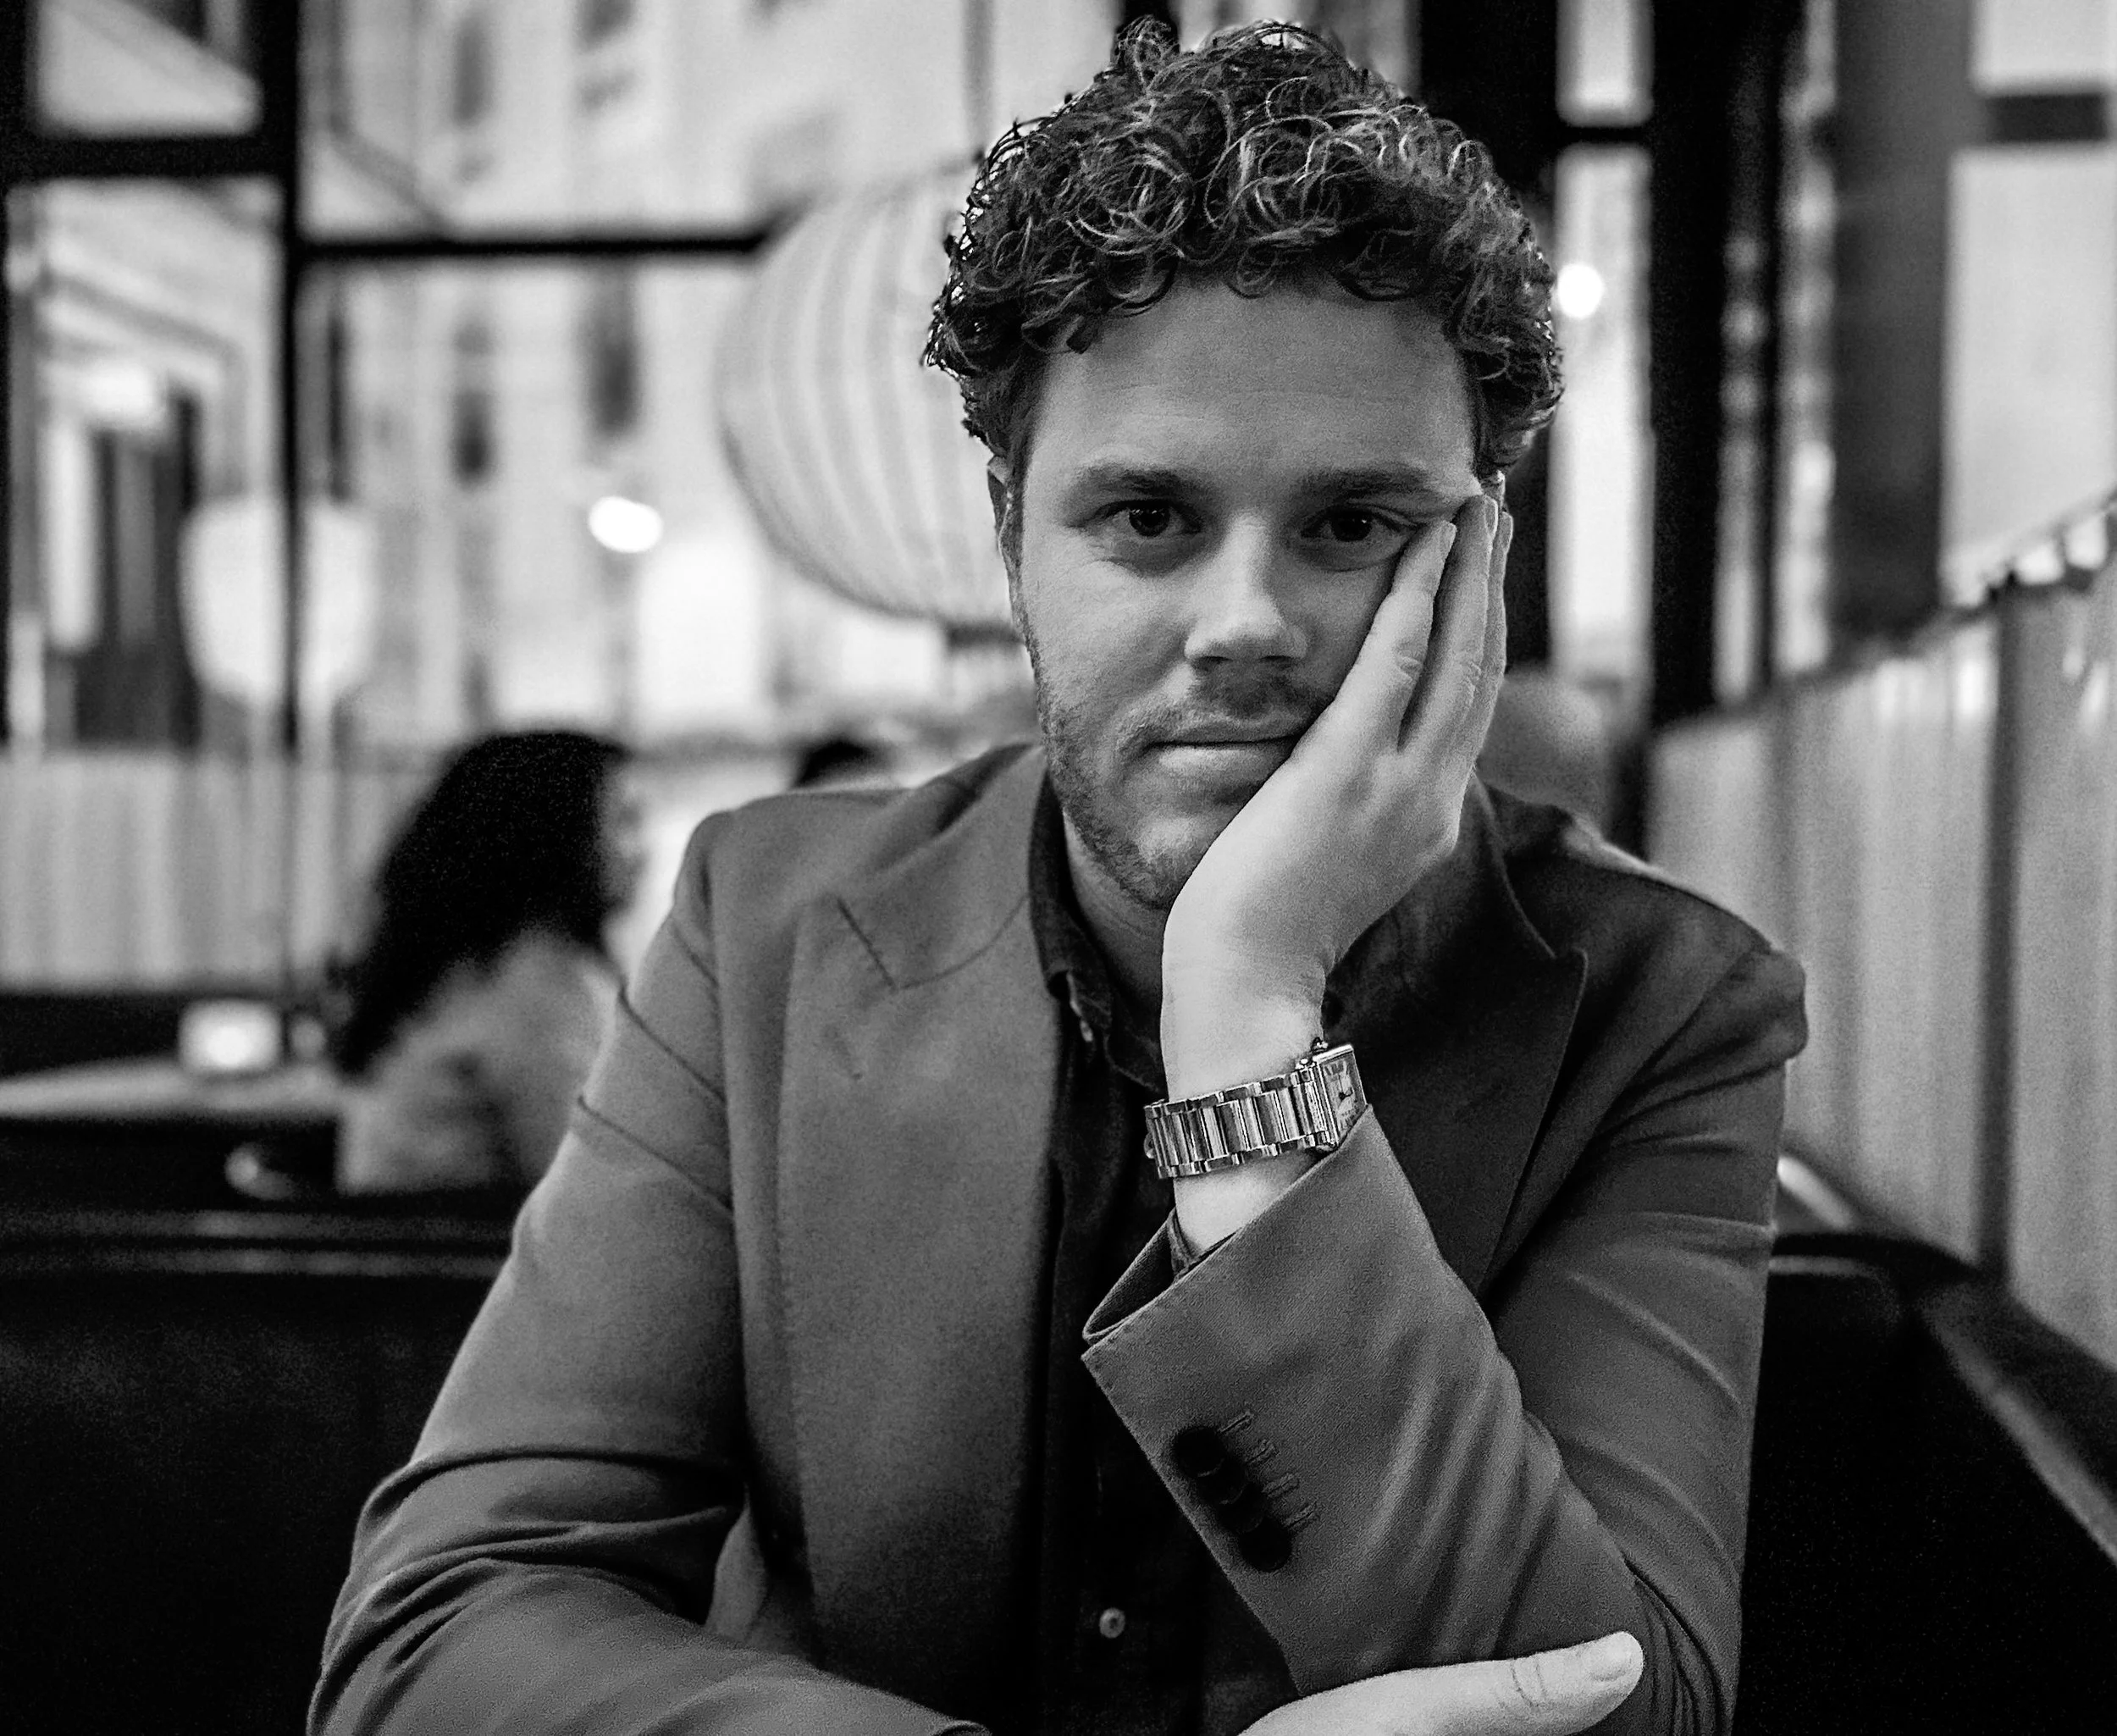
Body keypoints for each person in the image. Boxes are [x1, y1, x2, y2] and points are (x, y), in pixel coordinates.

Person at [313, 24, 1805, 1736]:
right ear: (1011, 539)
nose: (1245, 623)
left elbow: (1622, 1714)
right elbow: (434, 1639)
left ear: (1480, 561)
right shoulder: (765, 925)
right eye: (1149, 519)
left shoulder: (1667, 1004)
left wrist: (1250, 1025)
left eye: (1352, 524)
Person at [329, 728, 644, 1195]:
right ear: (552, 834)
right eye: (623, 822)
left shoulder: (464, 964)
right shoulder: (532, 992)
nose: (643, 852)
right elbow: (594, 1190)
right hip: (452, 1240)